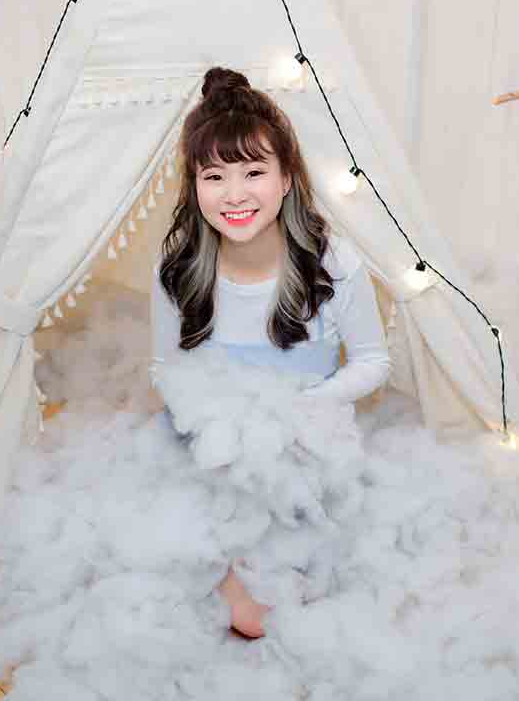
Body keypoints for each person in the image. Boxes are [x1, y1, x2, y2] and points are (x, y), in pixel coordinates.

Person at [149, 67, 391, 640]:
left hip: (308, 444)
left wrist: (305, 408)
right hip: (211, 444)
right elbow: (164, 367)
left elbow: (373, 362)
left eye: (254, 172)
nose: (235, 195)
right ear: (194, 185)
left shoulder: (333, 262)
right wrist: (214, 423)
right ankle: (225, 564)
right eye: (215, 176)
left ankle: (271, 561)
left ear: (286, 179)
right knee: (190, 586)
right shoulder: (179, 268)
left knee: (285, 600)